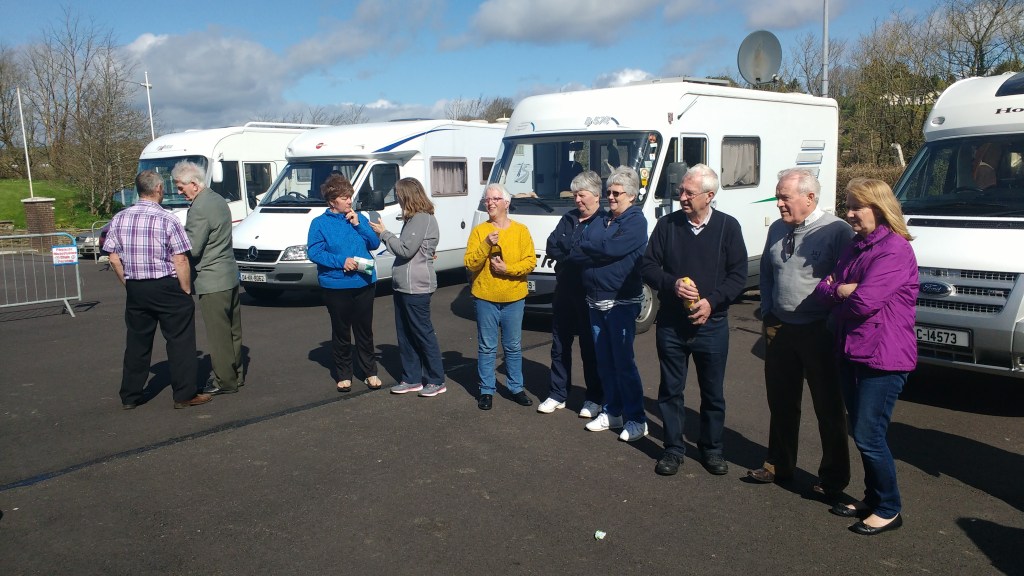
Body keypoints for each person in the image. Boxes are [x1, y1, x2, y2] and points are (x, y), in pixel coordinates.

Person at [814, 178, 918, 536]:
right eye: (848, 205)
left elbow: (864, 302)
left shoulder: (895, 250)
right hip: (852, 350)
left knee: (868, 434)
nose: (849, 213)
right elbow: (823, 289)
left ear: (879, 208)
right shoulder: (857, 245)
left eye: (856, 206)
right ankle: (873, 498)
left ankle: (889, 507)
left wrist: (842, 293)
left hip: (884, 357)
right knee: (863, 432)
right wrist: (842, 290)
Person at [747, 168, 853, 498]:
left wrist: (831, 323)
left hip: (819, 330)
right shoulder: (778, 228)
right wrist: (768, 311)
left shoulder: (837, 230)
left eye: (784, 197)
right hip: (779, 326)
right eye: (777, 197)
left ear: (810, 198)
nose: (778, 204)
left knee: (828, 407)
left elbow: (846, 280)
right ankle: (778, 463)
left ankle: (833, 478)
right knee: (781, 401)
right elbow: (767, 272)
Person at [640, 164, 746, 475]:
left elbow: (738, 276)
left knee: (712, 393)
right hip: (672, 325)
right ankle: (673, 449)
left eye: (689, 192)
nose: (682, 197)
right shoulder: (667, 225)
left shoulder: (728, 227)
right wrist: (671, 284)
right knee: (671, 390)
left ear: (709, 196)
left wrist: (712, 302)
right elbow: (648, 266)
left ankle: (712, 449)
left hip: (712, 325)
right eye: (681, 191)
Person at [102, 170, 213, 410]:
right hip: (165, 285)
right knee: (180, 341)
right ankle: (184, 394)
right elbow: (180, 258)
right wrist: (185, 289)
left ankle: (130, 395)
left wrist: (128, 283)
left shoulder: (120, 218)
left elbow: (113, 258)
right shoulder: (168, 219)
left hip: (136, 286)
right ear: (159, 189)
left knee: (137, 342)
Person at [568, 167, 648, 442]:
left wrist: (597, 248)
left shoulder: (636, 222)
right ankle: (612, 411)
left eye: (616, 193)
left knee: (623, 363)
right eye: (609, 192)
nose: (610, 197)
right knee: (604, 361)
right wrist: (599, 249)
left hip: (620, 302)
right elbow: (578, 247)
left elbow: (612, 249)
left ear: (632, 195)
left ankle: (637, 419)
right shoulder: (603, 220)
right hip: (595, 300)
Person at [369, 177, 446, 398]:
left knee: (422, 333)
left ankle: (436, 380)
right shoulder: (413, 219)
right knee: (405, 335)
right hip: (404, 285)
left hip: (416, 286)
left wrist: (384, 233)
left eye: (399, 195)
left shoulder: (422, 218)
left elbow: (405, 250)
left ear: (407, 196)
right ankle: (412, 379)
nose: (398, 199)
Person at [172, 161, 243, 396]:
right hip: (228, 274)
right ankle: (235, 375)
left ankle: (225, 381)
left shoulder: (199, 207)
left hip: (212, 279)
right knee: (232, 331)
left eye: (181, 187)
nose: (179, 192)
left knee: (218, 335)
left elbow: (192, 248)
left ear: (194, 184)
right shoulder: (217, 199)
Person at [537, 170, 605, 417]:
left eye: (581, 195)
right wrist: (574, 251)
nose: (577, 200)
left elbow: (594, 253)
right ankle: (558, 393)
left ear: (596, 195)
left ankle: (594, 398)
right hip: (564, 290)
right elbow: (551, 245)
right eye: (575, 195)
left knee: (590, 347)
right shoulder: (568, 218)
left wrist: (570, 251)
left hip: (589, 293)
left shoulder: (604, 221)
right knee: (559, 345)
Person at [307, 173, 382, 392]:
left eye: (350, 196)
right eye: (344, 197)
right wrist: (342, 262)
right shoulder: (319, 223)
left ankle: (370, 372)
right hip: (336, 285)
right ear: (332, 202)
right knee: (341, 332)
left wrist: (359, 225)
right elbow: (314, 252)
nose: (349, 201)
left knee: (364, 330)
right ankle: (344, 374)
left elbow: (374, 243)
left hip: (364, 282)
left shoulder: (359, 218)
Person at [465, 183, 537, 410]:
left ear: (506, 202)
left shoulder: (521, 230)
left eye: (495, 199)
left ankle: (516, 388)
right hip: (485, 297)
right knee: (487, 346)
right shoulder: (480, 232)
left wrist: (508, 269)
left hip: (514, 297)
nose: (490, 203)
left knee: (513, 346)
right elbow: (470, 263)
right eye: (487, 199)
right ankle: (486, 390)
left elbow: (530, 262)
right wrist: (486, 244)